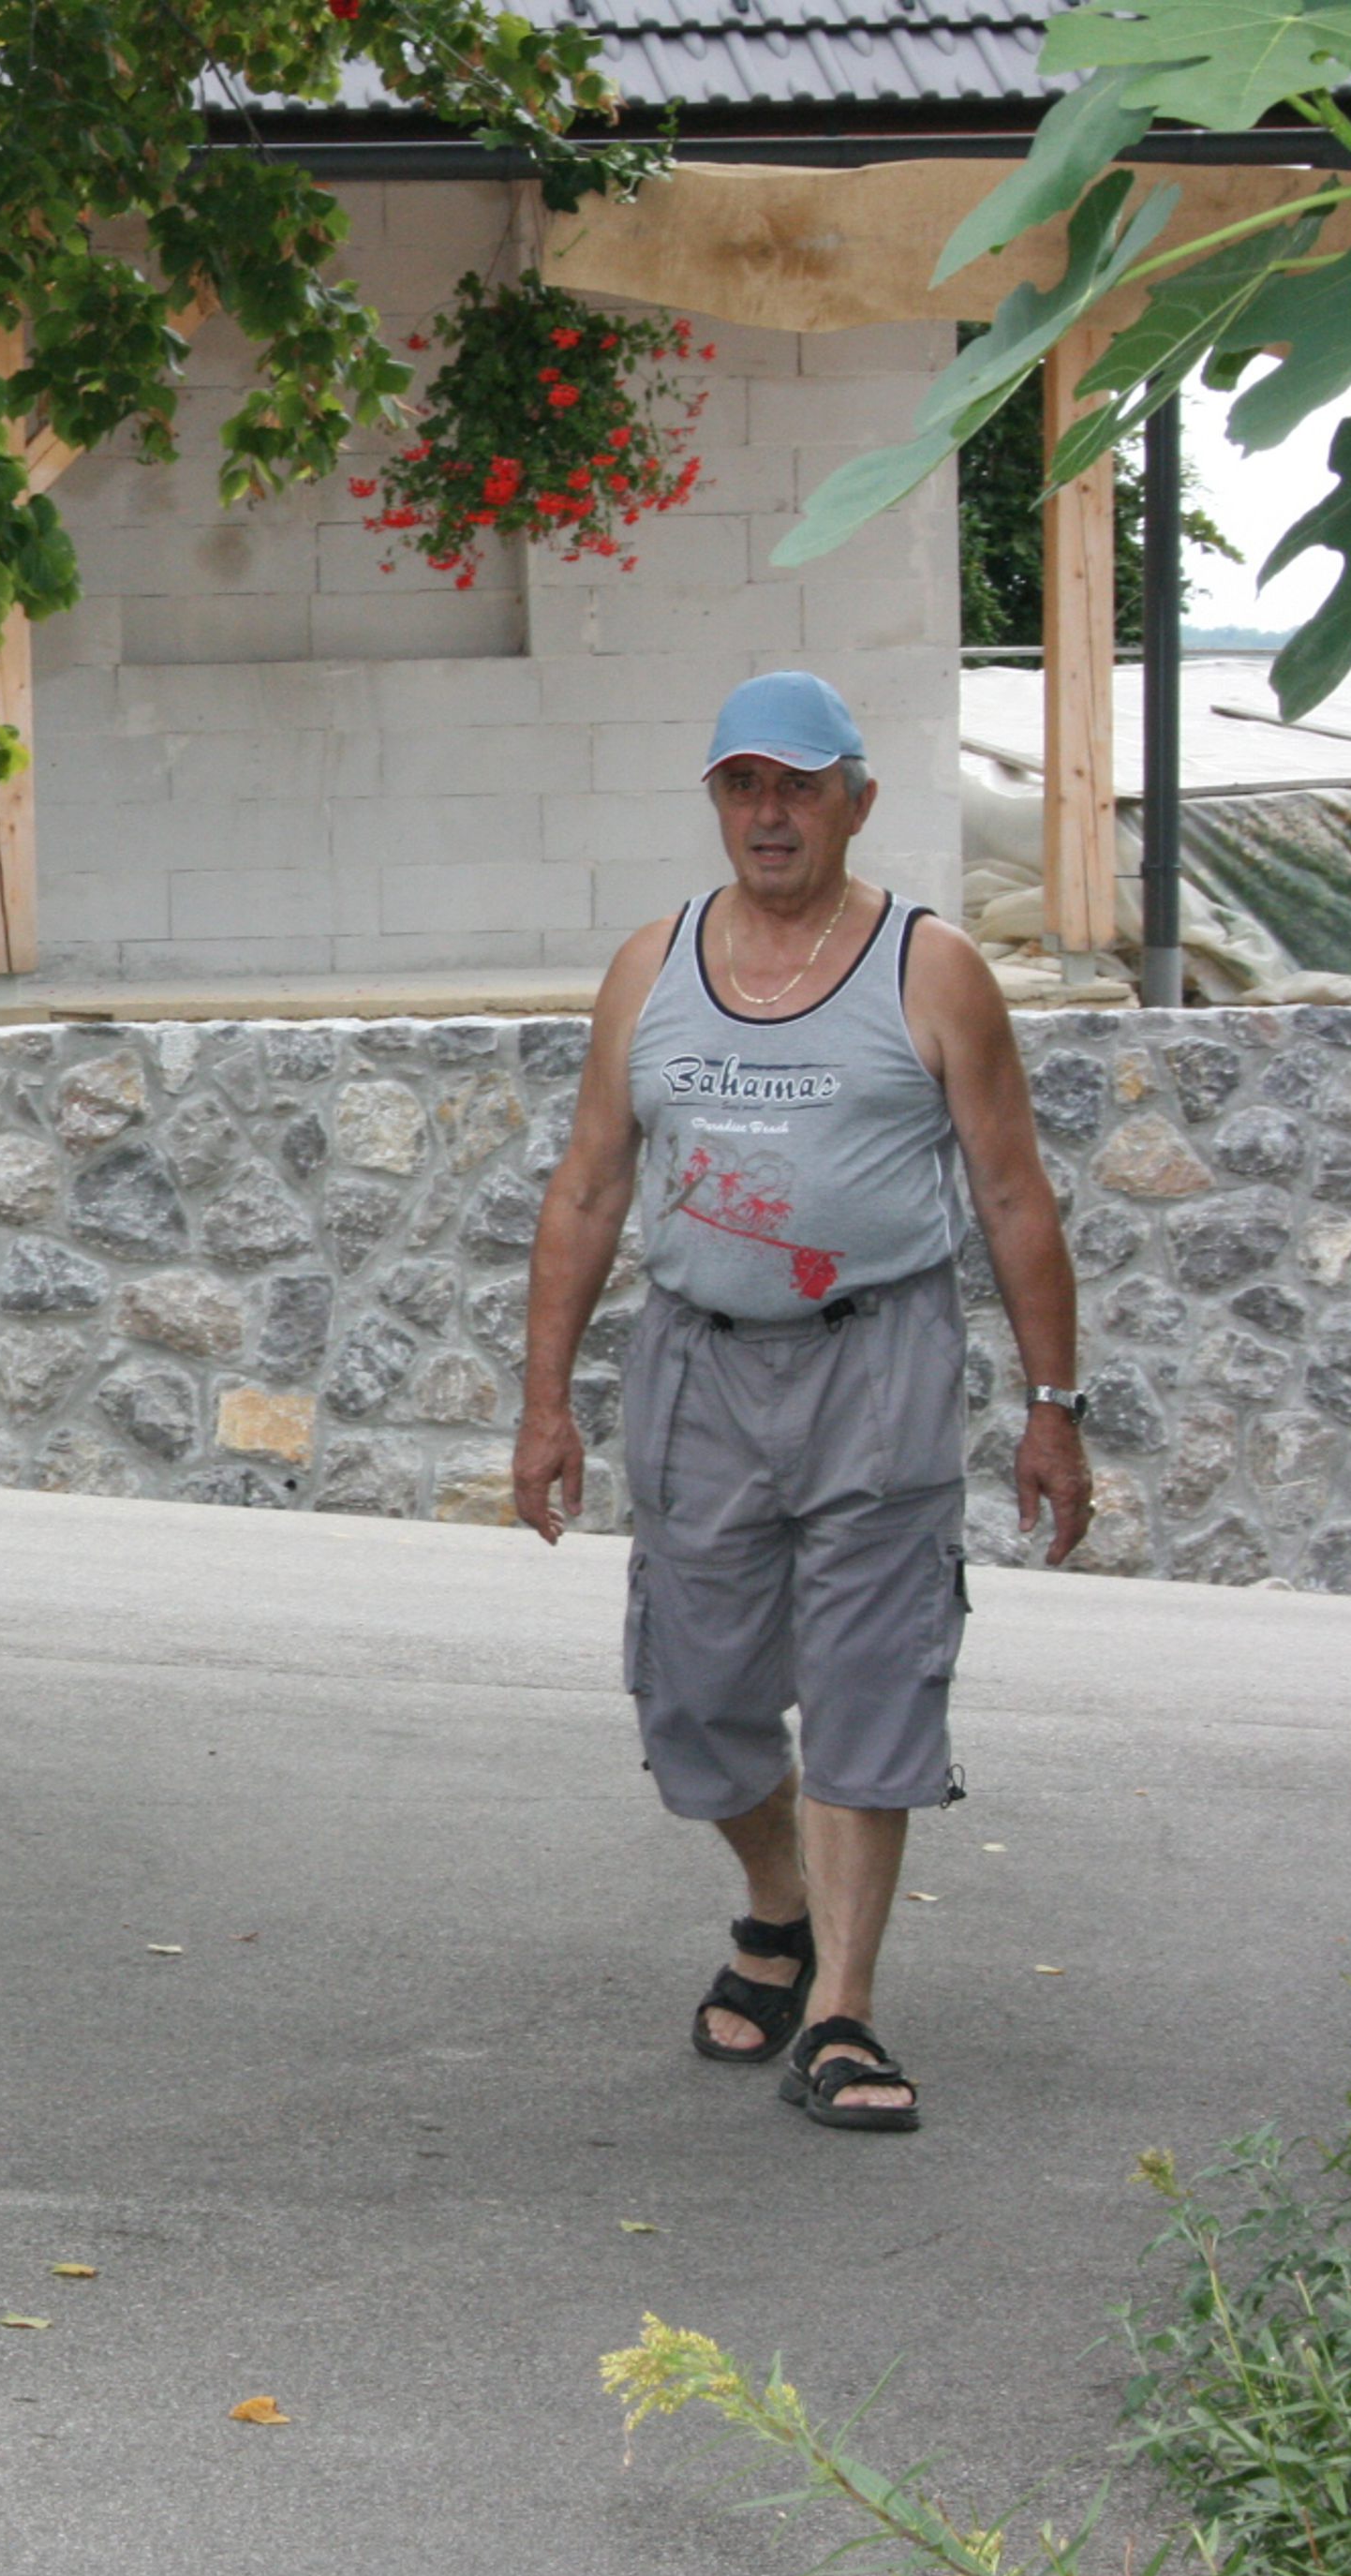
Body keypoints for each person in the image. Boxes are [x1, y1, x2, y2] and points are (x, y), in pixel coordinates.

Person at [513, 670, 1091, 2135]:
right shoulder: (651, 967)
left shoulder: (930, 968)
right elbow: (588, 1187)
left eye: (800, 786)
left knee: (867, 1677)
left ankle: (840, 2005)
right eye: (744, 786)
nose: (770, 814)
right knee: (694, 1692)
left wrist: (1053, 1404)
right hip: (699, 1363)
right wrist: (544, 1401)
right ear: (717, 801)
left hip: (876, 1360)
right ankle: (778, 1898)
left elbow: (1013, 1195)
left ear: (858, 800)